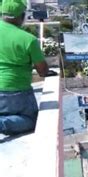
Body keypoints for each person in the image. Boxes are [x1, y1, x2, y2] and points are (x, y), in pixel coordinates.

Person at [0, 0, 49, 135]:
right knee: (34, 121)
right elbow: (43, 71)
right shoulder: (28, 39)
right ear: (21, 16)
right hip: (16, 91)